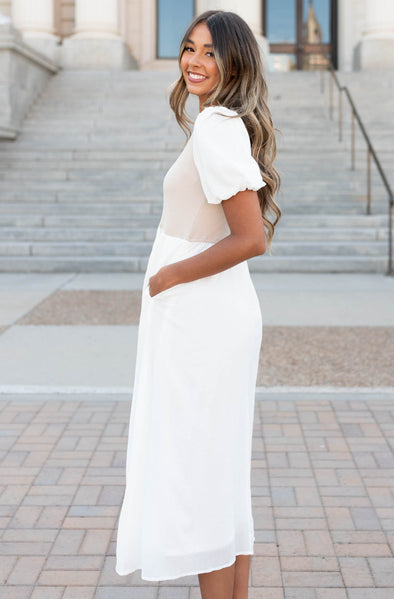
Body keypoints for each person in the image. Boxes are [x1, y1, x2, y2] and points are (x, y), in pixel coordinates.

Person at [115, 9, 281, 599]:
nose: (194, 61)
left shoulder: (217, 129)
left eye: (210, 52)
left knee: (202, 475)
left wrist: (168, 276)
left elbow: (250, 238)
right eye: (189, 48)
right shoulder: (220, 123)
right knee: (219, 474)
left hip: (201, 316)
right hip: (210, 313)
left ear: (235, 60)